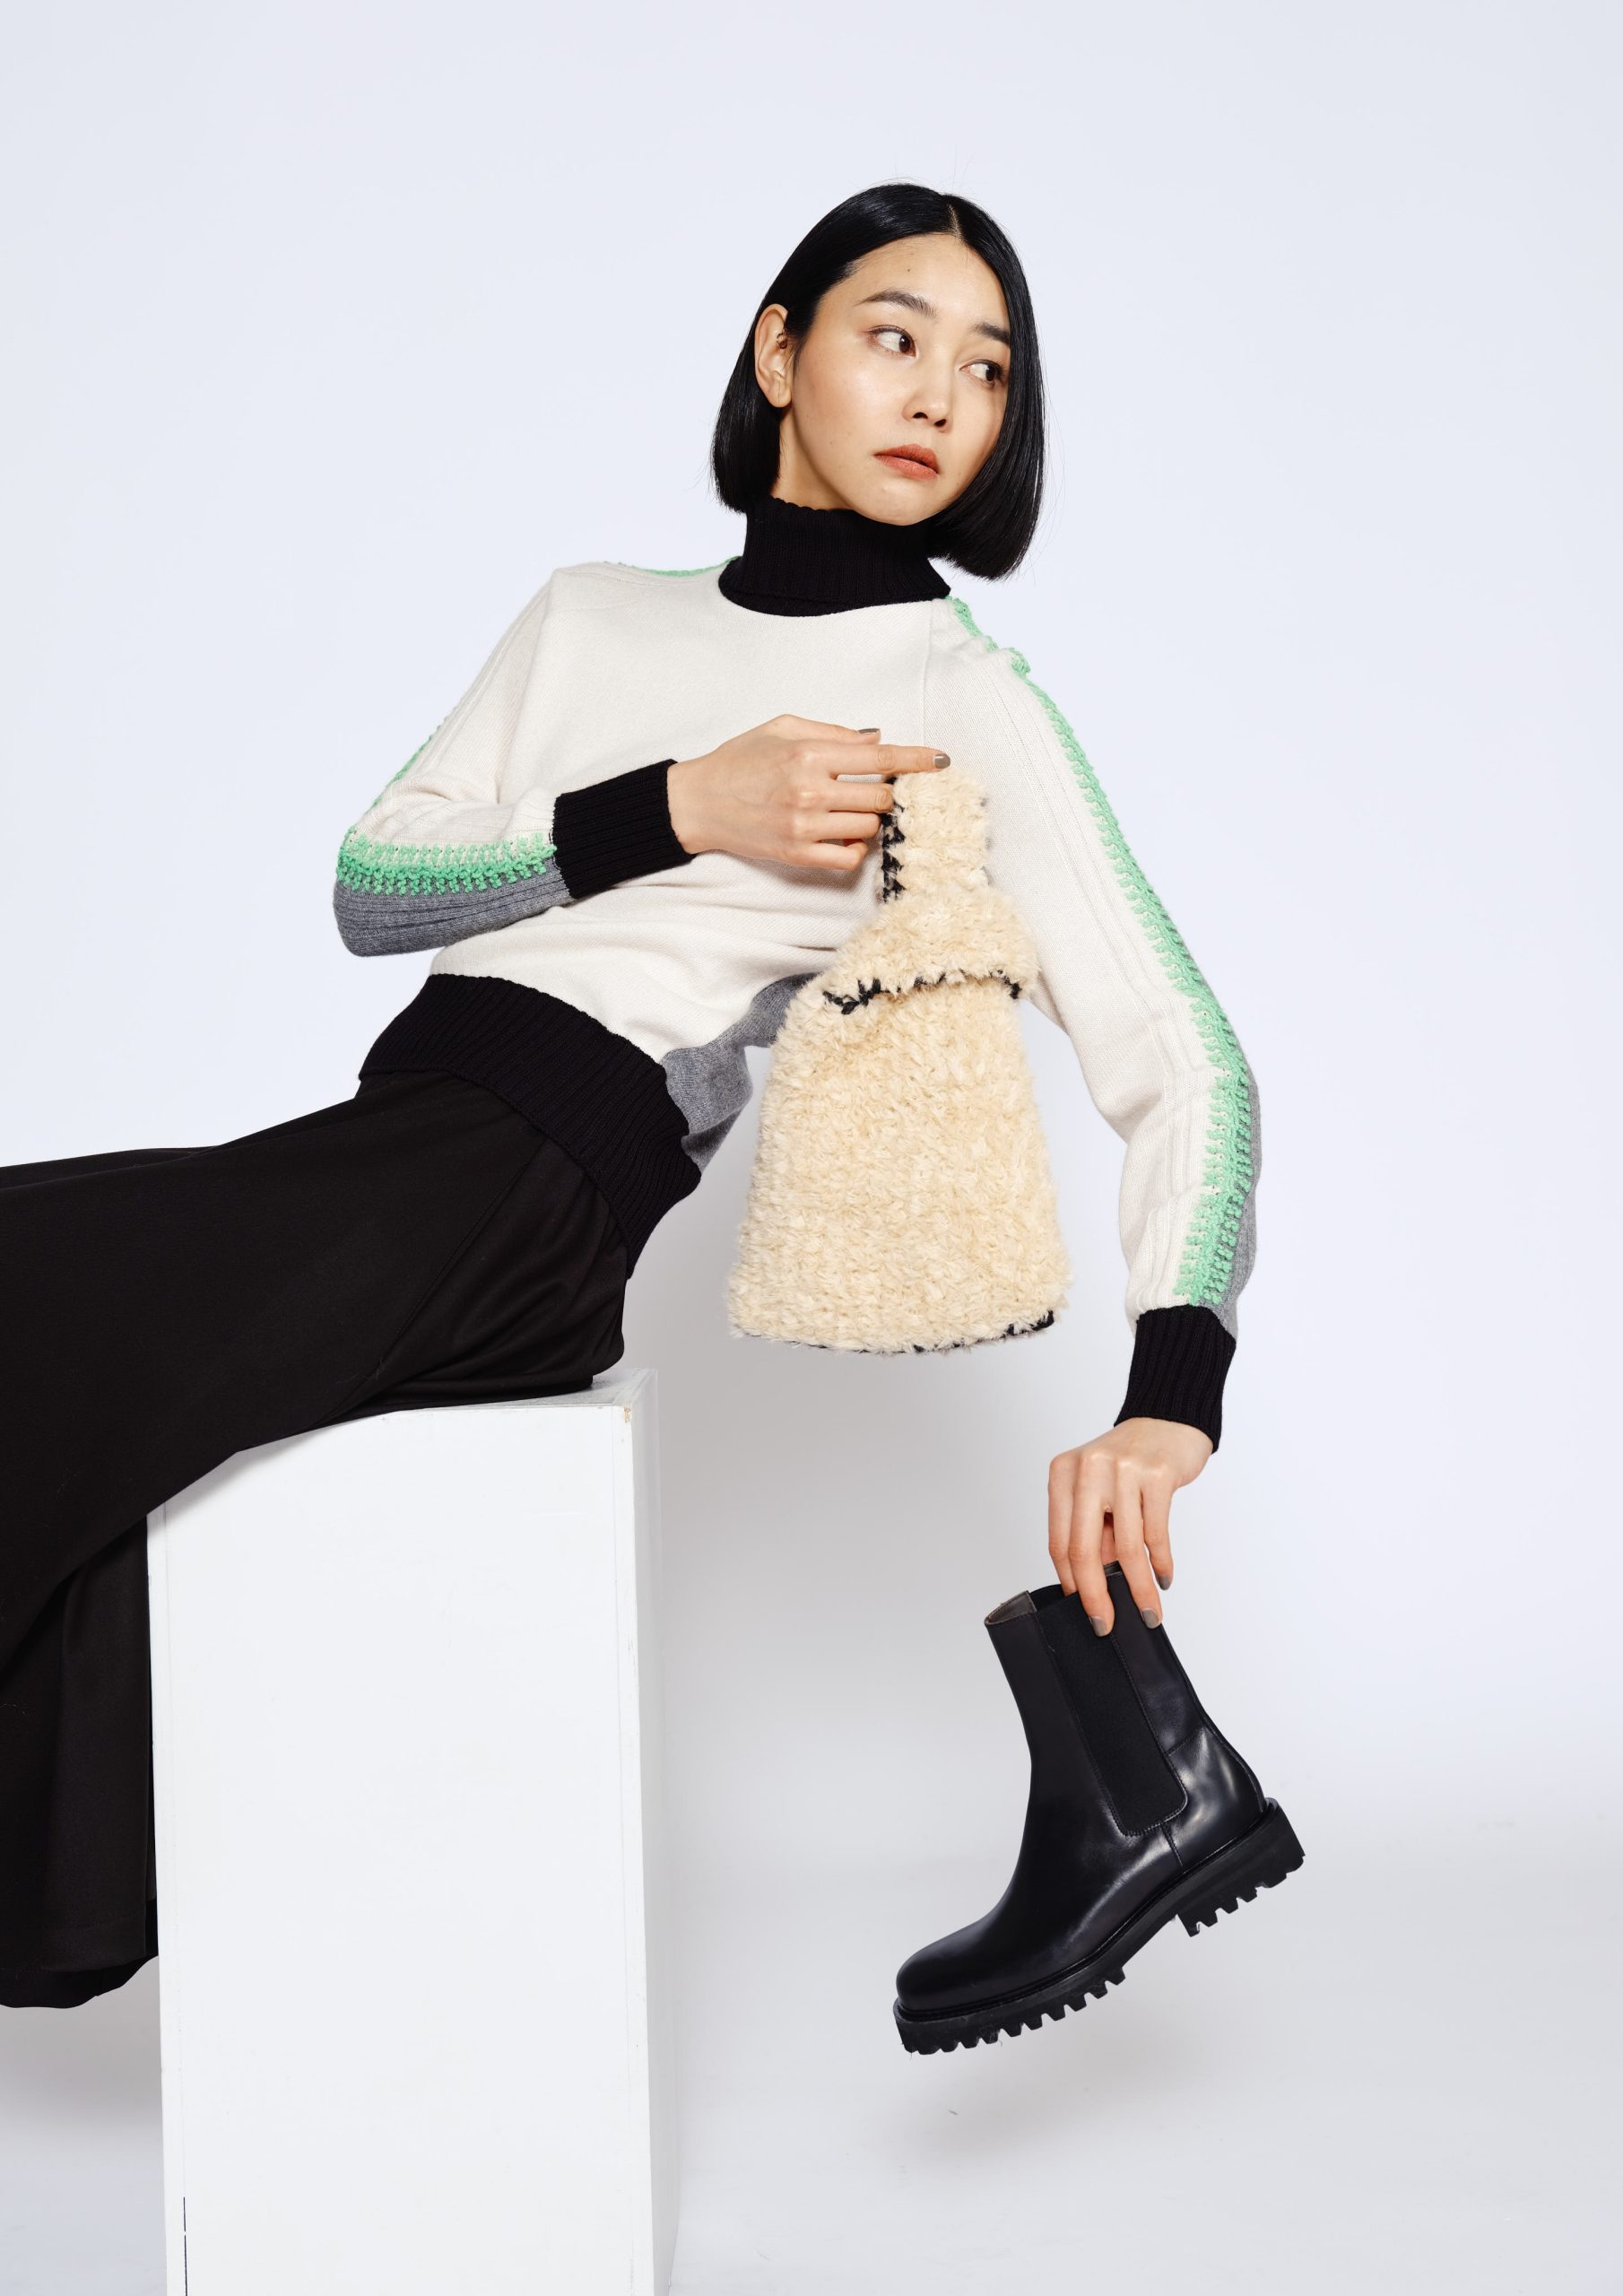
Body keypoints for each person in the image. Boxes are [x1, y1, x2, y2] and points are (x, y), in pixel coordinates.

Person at [0, 180, 1259, 2012]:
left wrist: (1168, 1398)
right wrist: (679, 804)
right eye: (892, 336)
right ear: (780, 353)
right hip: (394, 1147)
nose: (940, 394)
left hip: (534, 1194)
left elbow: (1181, 1053)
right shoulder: (589, 616)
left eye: (987, 369)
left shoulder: (952, 690)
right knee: (102, 1517)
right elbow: (375, 884)